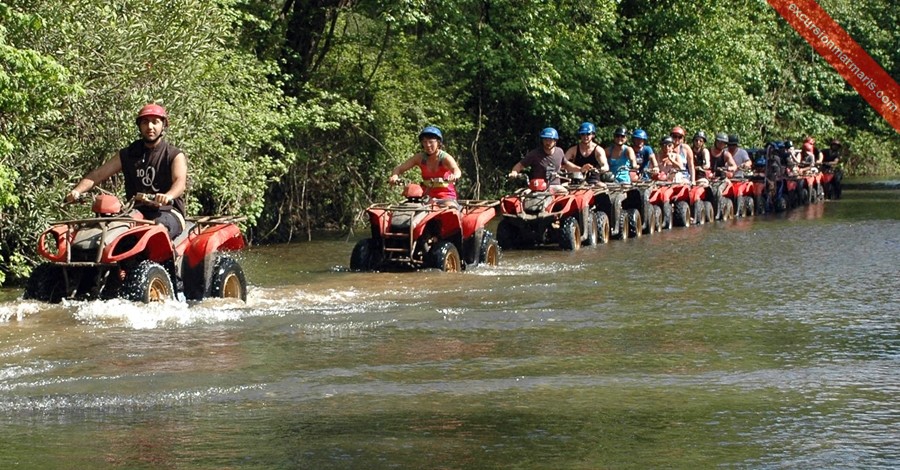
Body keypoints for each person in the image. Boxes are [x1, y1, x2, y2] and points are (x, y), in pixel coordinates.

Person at [66, 103, 187, 239]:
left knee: (156, 232)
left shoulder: (173, 154)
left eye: (155, 122)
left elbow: (180, 183)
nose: (150, 127)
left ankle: (167, 260)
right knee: (109, 233)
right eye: (145, 122)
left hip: (168, 212)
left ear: (163, 125)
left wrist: (168, 196)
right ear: (139, 126)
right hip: (136, 211)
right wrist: (77, 191)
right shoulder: (129, 154)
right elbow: (98, 175)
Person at [389, 126, 462, 203]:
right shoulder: (419, 158)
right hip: (427, 197)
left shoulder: (445, 158)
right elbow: (399, 168)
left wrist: (454, 176)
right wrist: (394, 176)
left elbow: (456, 170)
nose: (428, 145)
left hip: (446, 196)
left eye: (431, 142)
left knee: (448, 211)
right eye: (424, 142)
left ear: (438, 142)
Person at [509, 127, 584, 192]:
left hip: (555, 186)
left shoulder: (559, 151)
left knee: (565, 195)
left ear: (555, 141)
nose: (547, 142)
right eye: (545, 139)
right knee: (523, 197)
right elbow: (519, 166)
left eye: (550, 140)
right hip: (537, 187)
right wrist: (514, 172)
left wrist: (581, 169)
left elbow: (567, 165)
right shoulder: (534, 154)